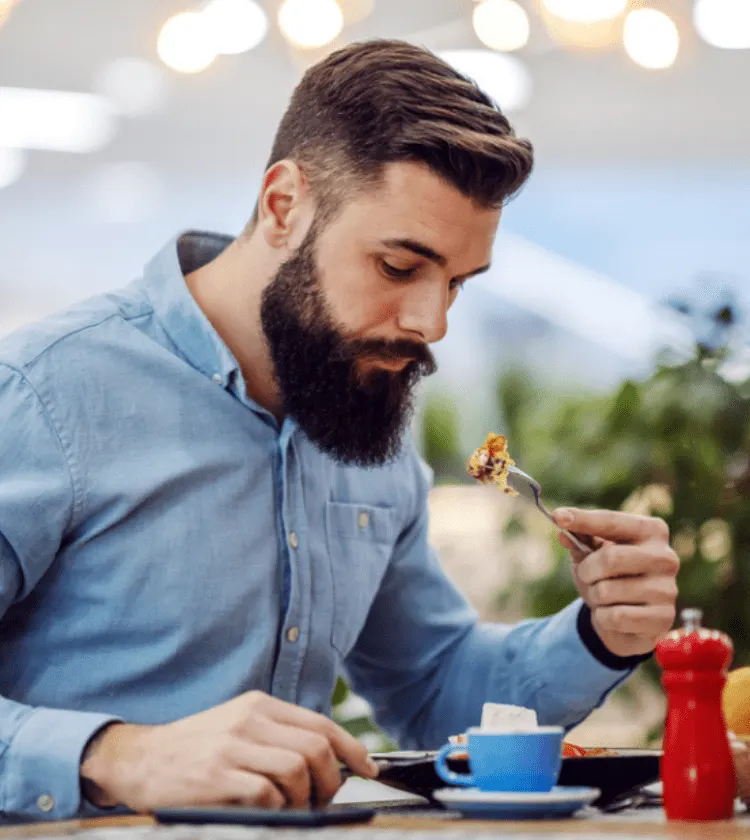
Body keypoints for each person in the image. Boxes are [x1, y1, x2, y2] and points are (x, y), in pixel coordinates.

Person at [0, 39, 679, 822]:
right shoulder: (43, 393)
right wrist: (114, 755)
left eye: (456, 282)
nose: (432, 323)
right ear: (284, 205)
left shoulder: (363, 410)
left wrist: (600, 633)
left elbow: (433, 690)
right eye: (399, 267)